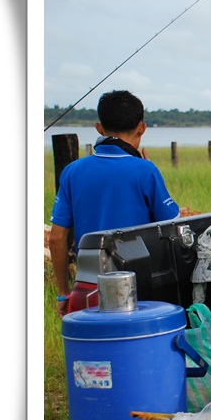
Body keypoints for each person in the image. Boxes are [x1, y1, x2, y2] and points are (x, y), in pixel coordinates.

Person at [49, 90, 179, 316]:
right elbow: (173, 226)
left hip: (90, 287)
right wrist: (148, 171)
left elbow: (57, 237)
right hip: (140, 287)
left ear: (99, 128)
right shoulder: (145, 170)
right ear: (142, 128)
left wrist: (64, 293)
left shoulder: (72, 172)